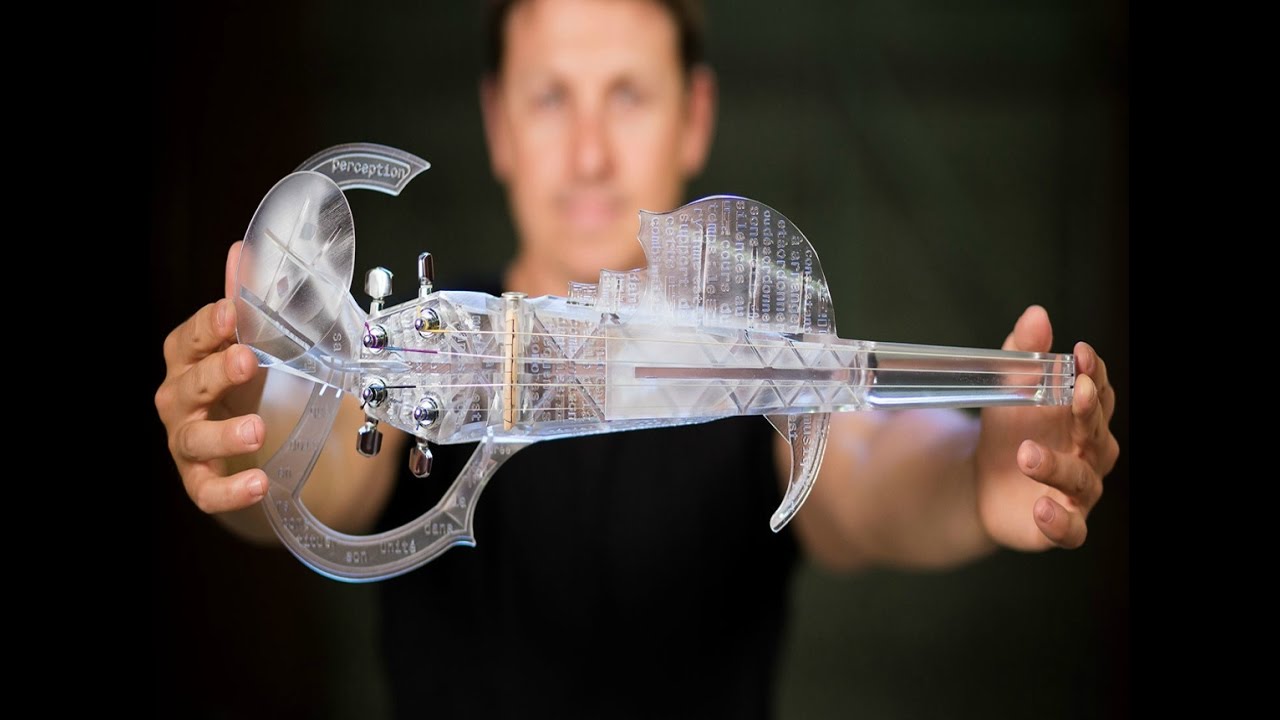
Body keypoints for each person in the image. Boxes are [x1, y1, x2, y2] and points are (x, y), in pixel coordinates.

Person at [154, 0, 1119, 715]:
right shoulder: (419, 347)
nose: (589, 154)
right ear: (498, 122)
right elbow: (319, 470)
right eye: (550, 98)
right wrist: (246, 430)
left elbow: (865, 459)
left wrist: (975, 471)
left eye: (627, 95)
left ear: (694, 115)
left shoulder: (755, 360)